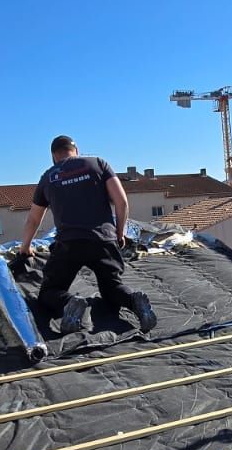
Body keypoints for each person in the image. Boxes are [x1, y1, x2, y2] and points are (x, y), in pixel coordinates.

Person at [13, 136, 158, 335]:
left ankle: (70, 302)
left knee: (48, 292)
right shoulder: (98, 164)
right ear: (76, 150)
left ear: (53, 156)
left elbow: (33, 220)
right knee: (112, 288)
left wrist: (25, 248)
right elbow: (122, 201)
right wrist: (119, 232)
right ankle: (133, 301)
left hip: (69, 244)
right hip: (103, 240)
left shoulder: (48, 177)